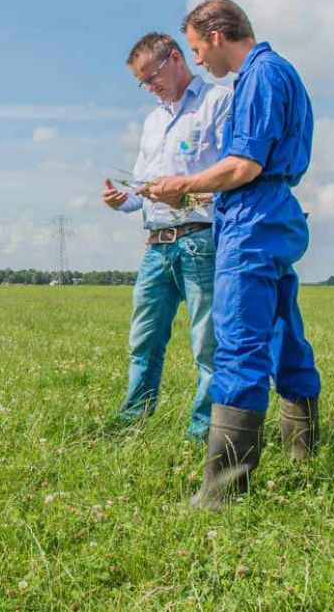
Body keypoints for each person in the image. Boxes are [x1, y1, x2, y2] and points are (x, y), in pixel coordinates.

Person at [141, 0, 321, 508]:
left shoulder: (259, 76)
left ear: (217, 36)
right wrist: (203, 191)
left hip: (253, 220)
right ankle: (304, 452)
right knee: (285, 332)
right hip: (273, 211)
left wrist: (185, 182)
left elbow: (243, 165)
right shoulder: (282, 71)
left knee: (239, 344)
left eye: (197, 49)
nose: (198, 60)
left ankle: (223, 491)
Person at [102, 32, 232, 441]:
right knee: (143, 341)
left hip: (201, 241)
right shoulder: (153, 120)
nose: (149, 87)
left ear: (177, 59)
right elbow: (142, 189)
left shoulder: (217, 102)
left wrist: (187, 188)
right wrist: (120, 199)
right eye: (142, 82)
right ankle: (132, 422)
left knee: (207, 346)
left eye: (152, 77)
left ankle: (203, 433)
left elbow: (232, 171)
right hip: (157, 244)